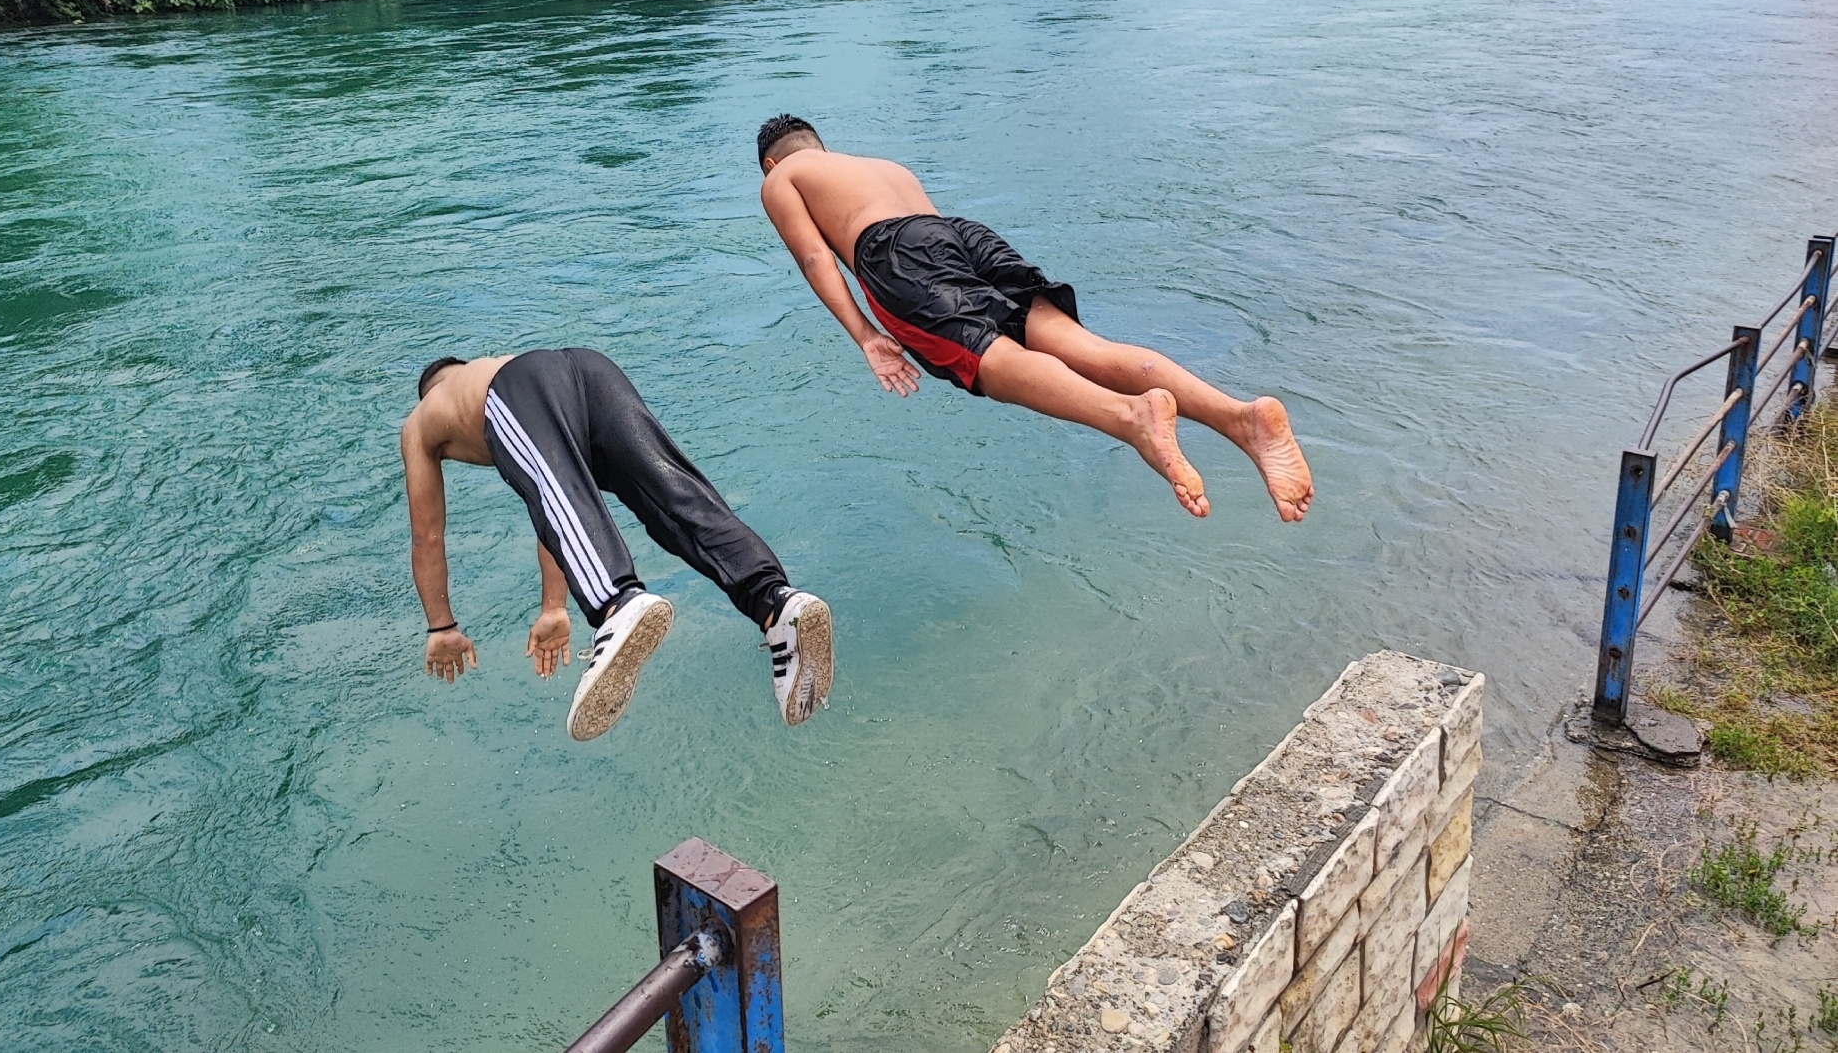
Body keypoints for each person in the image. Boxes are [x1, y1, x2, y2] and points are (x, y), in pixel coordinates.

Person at [754, 115, 1314, 523]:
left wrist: (867, 337)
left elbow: (814, 257)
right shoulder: (880, 167)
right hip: (959, 232)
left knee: (993, 363)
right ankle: (1240, 418)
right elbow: (927, 233)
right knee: (1083, 348)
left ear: (774, 160)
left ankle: (1129, 419)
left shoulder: (781, 178)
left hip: (896, 252)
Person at [400, 348, 834, 740]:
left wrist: (442, 627)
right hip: (591, 370)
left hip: (525, 388)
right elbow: (552, 507)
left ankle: (615, 603)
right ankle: (777, 604)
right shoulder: (489, 368)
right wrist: (553, 607)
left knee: (572, 510)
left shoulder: (424, 419)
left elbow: (428, 536)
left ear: (429, 392)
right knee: (675, 500)